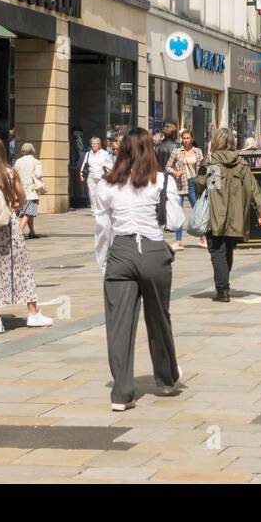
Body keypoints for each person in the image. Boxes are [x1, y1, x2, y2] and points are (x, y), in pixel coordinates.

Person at [92, 127, 185, 409]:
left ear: (120, 152)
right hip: (154, 250)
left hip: (120, 250)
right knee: (159, 317)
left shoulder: (106, 185)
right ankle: (167, 379)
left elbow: (102, 228)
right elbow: (176, 221)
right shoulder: (162, 181)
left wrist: (104, 263)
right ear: (149, 150)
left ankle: (121, 392)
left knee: (118, 324)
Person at [0, 134, 52, 333]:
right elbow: (23, 199)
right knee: (20, 268)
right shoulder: (9, 173)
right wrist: (13, 203)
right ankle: (33, 313)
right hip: (8, 227)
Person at [195, 127, 261, 302]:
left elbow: (201, 184)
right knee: (228, 250)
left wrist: (203, 177)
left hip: (216, 214)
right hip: (237, 215)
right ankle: (224, 284)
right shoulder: (241, 163)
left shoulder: (212, 161)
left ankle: (222, 290)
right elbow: (253, 188)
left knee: (217, 250)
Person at [167, 129, 204, 251]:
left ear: (192, 138)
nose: (186, 140)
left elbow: (203, 167)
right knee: (178, 212)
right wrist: (175, 172)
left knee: (198, 211)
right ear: (181, 139)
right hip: (180, 184)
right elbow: (168, 166)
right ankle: (178, 241)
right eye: (184, 138)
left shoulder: (198, 152)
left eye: (188, 138)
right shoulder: (177, 151)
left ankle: (203, 238)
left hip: (193, 183)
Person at [13, 142, 44, 240]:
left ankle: (32, 231)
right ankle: (18, 231)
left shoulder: (18, 161)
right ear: (32, 150)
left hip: (19, 190)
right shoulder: (35, 161)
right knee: (28, 213)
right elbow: (38, 174)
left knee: (28, 212)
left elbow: (14, 174)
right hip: (30, 191)